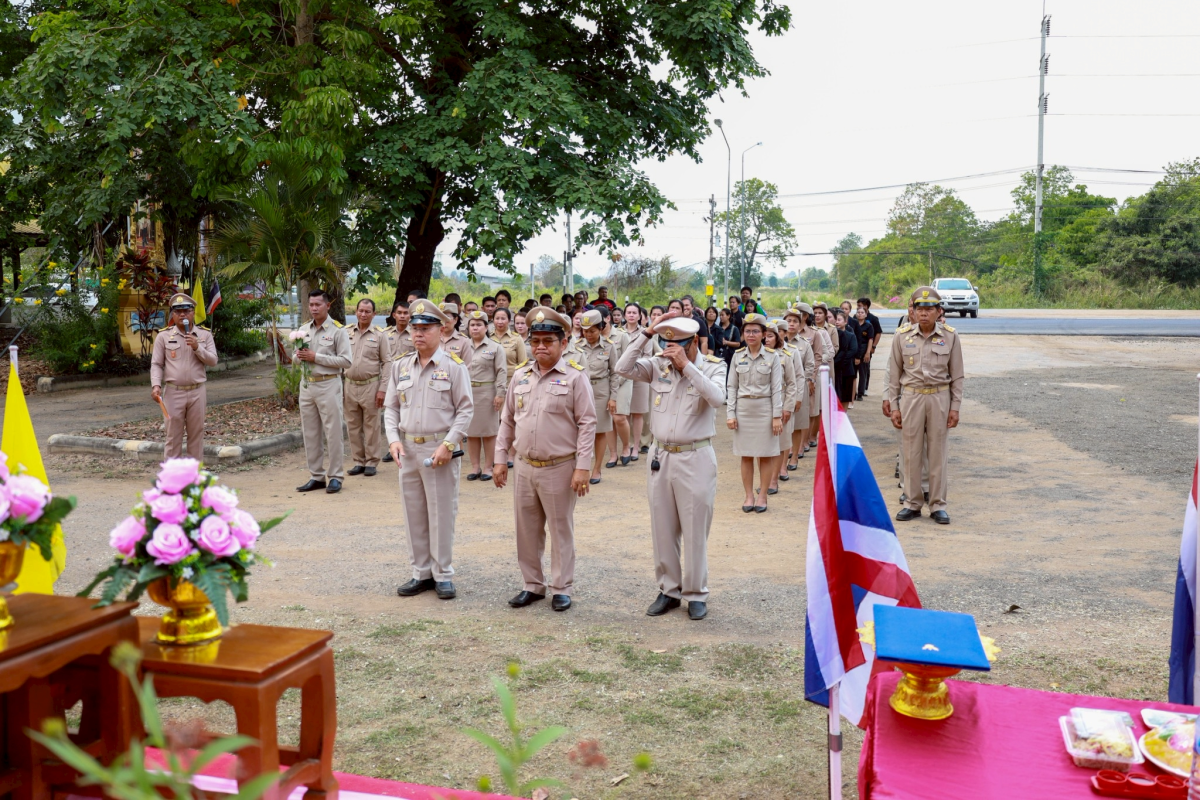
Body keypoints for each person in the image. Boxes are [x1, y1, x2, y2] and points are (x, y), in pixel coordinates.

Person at [616, 313, 726, 620]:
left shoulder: (713, 366)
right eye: (666, 344)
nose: (669, 351)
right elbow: (622, 368)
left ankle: (696, 593)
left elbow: (717, 398)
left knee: (694, 529)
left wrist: (687, 366)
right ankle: (669, 590)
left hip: (695, 455)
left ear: (693, 343)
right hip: (660, 456)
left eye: (677, 345)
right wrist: (646, 333)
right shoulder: (657, 365)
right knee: (662, 527)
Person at [493, 307, 595, 612]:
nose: (540, 347)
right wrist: (500, 458)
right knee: (526, 530)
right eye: (535, 340)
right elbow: (508, 419)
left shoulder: (575, 377)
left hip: (559, 467)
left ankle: (561, 587)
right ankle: (532, 585)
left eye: (548, 341)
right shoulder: (520, 375)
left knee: (560, 529)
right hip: (525, 466)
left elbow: (587, 423)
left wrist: (583, 467)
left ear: (563, 343)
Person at [384, 300, 473, 598]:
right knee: (414, 513)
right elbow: (391, 408)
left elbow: (465, 410)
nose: (419, 334)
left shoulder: (454, 367)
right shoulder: (401, 366)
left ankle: (443, 574)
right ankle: (420, 573)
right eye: (415, 328)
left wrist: (449, 443)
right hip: (408, 448)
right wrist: (393, 439)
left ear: (441, 329)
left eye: (426, 328)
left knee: (441, 513)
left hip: (439, 449)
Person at [887, 287, 964, 525]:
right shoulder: (902, 336)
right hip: (912, 397)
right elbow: (894, 374)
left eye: (929, 309)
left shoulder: (950, 336)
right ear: (913, 311)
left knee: (937, 452)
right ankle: (912, 503)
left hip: (939, 397)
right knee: (911, 452)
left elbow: (957, 375)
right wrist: (894, 405)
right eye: (919, 308)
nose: (923, 313)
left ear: (938, 311)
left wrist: (955, 407)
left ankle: (938, 505)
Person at [293, 290, 353, 494]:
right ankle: (316, 476)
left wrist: (316, 357)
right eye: (311, 304)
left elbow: (346, 361)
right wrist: (299, 356)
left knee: (333, 432)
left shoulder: (337, 331)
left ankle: (335, 476)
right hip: (307, 385)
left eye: (318, 304)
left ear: (328, 305)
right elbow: (295, 358)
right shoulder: (303, 329)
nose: (314, 308)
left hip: (328, 384)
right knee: (310, 432)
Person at [150, 293, 218, 459]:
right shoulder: (164, 336)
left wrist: (197, 347)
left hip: (197, 391)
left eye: (186, 311)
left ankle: (193, 473)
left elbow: (213, 361)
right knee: (173, 436)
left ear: (193, 313)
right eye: (178, 311)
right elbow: (157, 364)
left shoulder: (204, 335)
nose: (182, 315)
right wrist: (156, 385)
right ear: (172, 314)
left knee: (196, 435)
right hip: (174, 392)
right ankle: (173, 474)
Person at [726, 313, 782, 513]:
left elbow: (776, 388)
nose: (751, 335)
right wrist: (730, 414)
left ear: (764, 334)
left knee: (765, 455)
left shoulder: (773, 357)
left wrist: (776, 416)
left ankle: (762, 495)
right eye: (747, 331)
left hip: (765, 410)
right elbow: (732, 387)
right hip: (743, 410)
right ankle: (749, 495)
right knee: (746, 455)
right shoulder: (737, 356)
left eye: (755, 331)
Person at [570, 309, 622, 484]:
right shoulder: (576, 345)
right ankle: (579, 466)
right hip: (580, 390)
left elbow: (615, 373)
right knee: (577, 430)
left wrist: (613, 397)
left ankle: (597, 469)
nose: (588, 334)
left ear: (600, 328)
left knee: (599, 432)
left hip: (601, 391)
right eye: (585, 331)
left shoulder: (609, 346)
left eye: (592, 331)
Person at [344, 298, 391, 477]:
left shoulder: (380, 335)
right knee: (352, 425)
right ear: (356, 312)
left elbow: (387, 362)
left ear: (374, 314)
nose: (363, 314)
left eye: (367, 311)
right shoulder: (346, 333)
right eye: (361, 310)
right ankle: (358, 461)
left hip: (371, 385)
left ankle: (371, 461)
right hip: (349, 385)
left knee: (372, 425)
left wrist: (383, 389)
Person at [462, 309, 508, 482]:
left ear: (486, 327)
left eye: (479, 325)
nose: (475, 328)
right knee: (471, 432)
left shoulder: (495, 347)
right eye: (472, 325)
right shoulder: (464, 346)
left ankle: (489, 466)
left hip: (487, 393)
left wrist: (500, 394)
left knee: (489, 432)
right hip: (467, 393)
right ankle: (475, 466)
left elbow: (502, 371)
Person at [761, 322, 796, 497]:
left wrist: (788, 407)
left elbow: (792, 384)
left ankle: (774, 480)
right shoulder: (756, 355)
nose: (766, 340)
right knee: (763, 446)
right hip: (762, 405)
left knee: (780, 444)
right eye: (764, 336)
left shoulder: (785, 356)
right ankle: (764, 481)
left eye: (770, 336)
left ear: (777, 338)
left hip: (781, 403)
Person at [794, 302, 831, 450]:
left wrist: (812, 378)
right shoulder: (785, 333)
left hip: (810, 376)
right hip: (791, 378)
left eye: (797, 314)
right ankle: (793, 444)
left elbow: (821, 355)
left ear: (805, 316)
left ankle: (805, 441)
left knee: (809, 410)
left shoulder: (814, 333)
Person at [782, 306, 816, 469]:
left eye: (795, 321)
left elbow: (809, 366)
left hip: (798, 388)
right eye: (788, 321)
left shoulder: (804, 344)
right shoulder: (776, 342)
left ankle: (794, 456)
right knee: (783, 426)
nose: (791, 324)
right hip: (781, 389)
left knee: (796, 426)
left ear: (800, 323)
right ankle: (782, 459)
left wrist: (805, 383)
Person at [621, 302, 649, 462]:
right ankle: (627, 445)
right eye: (629, 312)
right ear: (624, 315)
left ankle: (636, 447)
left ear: (639, 316)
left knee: (638, 413)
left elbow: (648, 355)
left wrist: (633, 365)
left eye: (634, 313)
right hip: (622, 376)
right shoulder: (618, 332)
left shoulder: (646, 333)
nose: (631, 315)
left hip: (639, 375)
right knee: (624, 413)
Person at [831, 308, 858, 407]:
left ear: (845, 322)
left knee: (845, 397)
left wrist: (840, 362)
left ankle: (844, 413)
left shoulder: (850, 335)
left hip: (846, 369)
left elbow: (853, 350)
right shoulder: (831, 334)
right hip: (834, 368)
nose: (837, 322)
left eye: (839, 320)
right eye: (836, 320)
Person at [492, 307, 527, 380]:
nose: (500, 322)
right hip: (491, 381)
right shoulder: (488, 338)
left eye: (503, 318)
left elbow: (523, 363)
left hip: (510, 381)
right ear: (493, 320)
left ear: (509, 320)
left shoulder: (517, 338)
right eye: (497, 318)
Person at [854, 305, 876, 402]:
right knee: (853, 373)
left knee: (863, 373)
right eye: (858, 312)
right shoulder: (853, 324)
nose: (860, 314)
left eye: (862, 312)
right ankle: (852, 393)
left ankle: (860, 393)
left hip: (864, 349)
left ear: (866, 314)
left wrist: (868, 352)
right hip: (854, 349)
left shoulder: (869, 326)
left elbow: (870, 339)